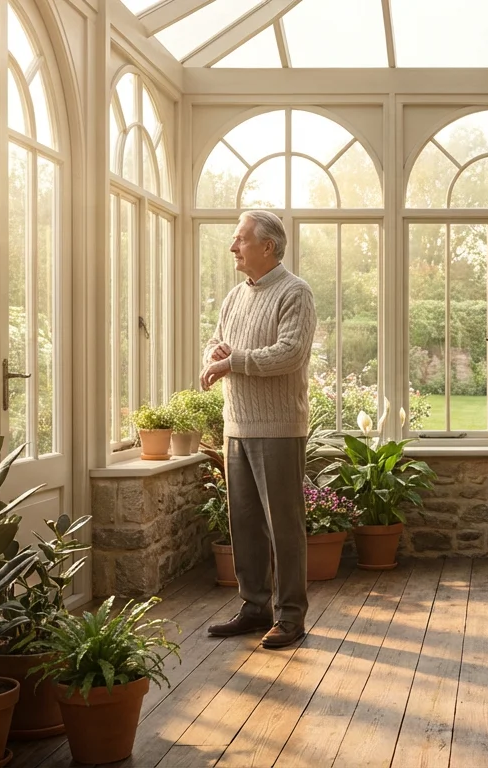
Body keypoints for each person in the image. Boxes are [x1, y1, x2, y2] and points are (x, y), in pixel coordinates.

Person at [200, 210, 317, 649]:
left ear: (267, 246)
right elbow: (215, 341)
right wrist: (217, 353)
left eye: (240, 240)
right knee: (245, 523)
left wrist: (232, 361)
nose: (233, 247)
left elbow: (289, 353)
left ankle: (290, 617)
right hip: (238, 425)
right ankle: (254, 608)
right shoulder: (234, 297)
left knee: (284, 526)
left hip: (279, 427)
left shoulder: (295, 292)